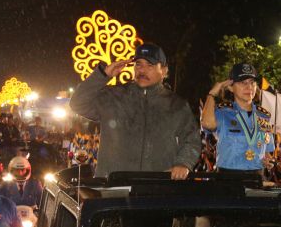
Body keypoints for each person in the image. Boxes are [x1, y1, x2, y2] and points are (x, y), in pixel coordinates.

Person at [69, 43, 199, 179]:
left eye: (150, 65)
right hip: (113, 188)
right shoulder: (114, 96)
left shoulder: (176, 104)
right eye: (138, 64)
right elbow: (78, 103)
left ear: (164, 71)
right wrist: (104, 74)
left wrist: (184, 163)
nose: (142, 70)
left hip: (156, 188)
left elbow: (192, 139)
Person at [201, 62, 274, 171]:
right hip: (228, 179)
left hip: (255, 177)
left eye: (252, 82)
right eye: (243, 82)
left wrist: (268, 160)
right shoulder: (223, 113)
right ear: (231, 87)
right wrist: (212, 93)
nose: (249, 87)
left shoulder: (264, 116)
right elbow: (207, 123)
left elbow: (267, 151)